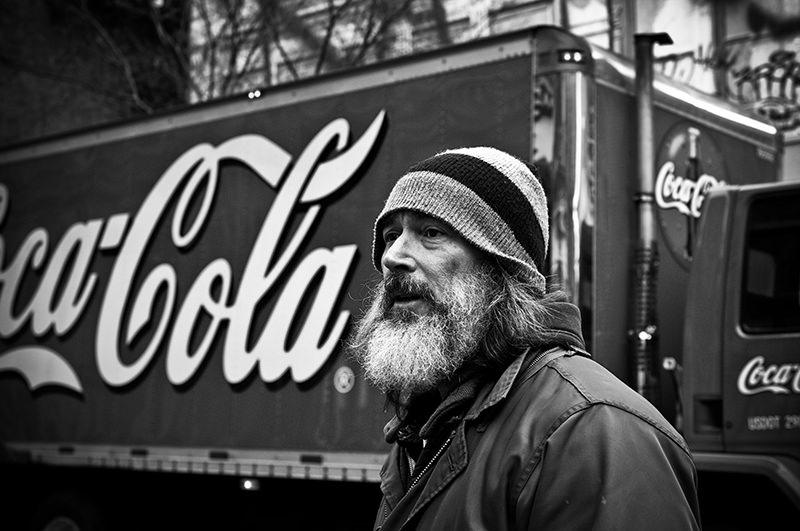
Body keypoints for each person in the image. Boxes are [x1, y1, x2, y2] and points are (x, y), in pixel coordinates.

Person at [351, 146, 701, 530]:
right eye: (390, 235)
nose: (392, 256)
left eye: (431, 232)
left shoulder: (593, 428)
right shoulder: (425, 424)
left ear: (501, 266)